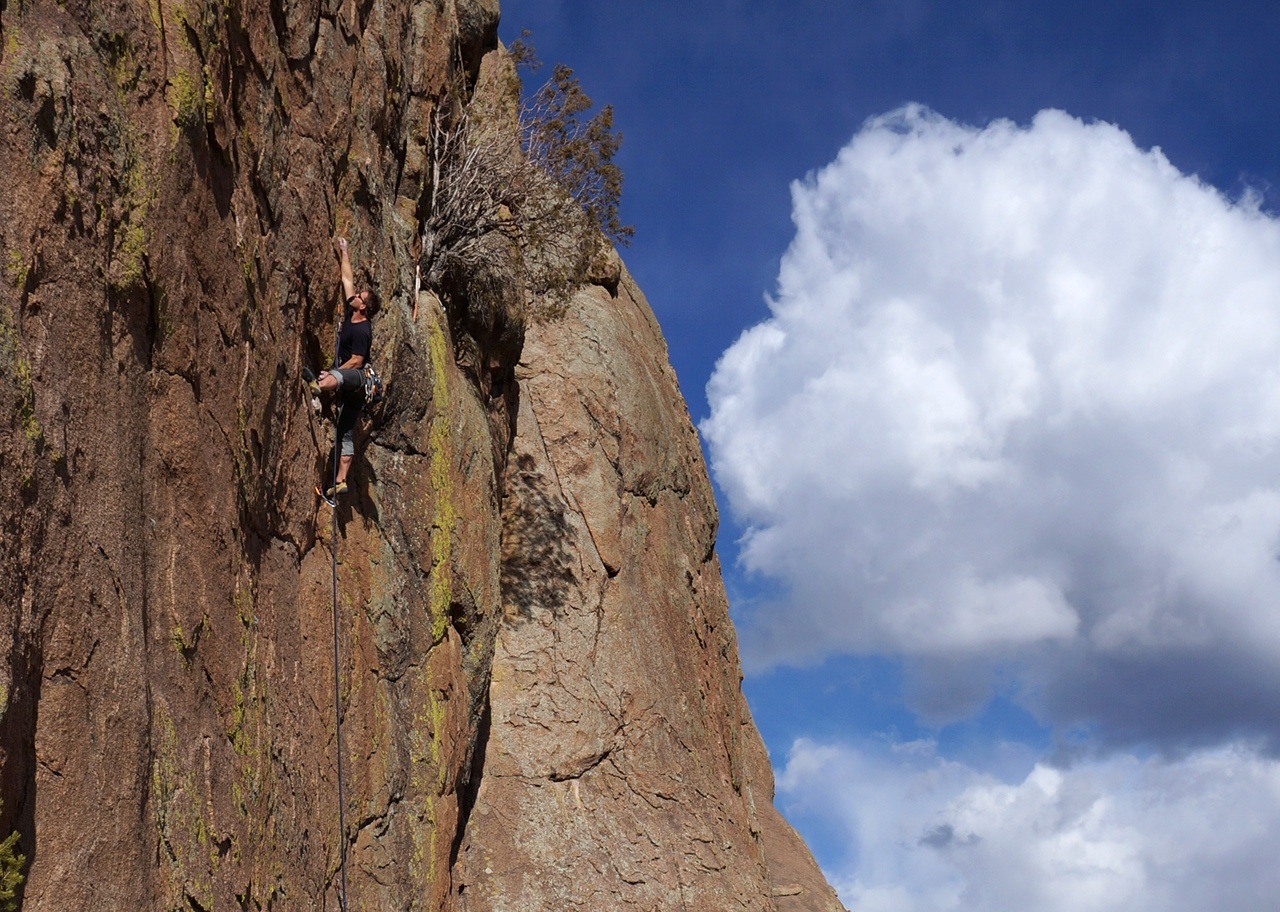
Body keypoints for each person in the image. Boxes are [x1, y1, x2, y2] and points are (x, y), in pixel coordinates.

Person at [303, 236, 379, 498]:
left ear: (364, 307)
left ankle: (318, 386)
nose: (356, 295)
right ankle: (339, 482)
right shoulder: (351, 311)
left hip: (357, 379)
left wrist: (330, 375)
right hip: (350, 390)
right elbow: (348, 281)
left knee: (339, 374)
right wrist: (344, 252)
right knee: (345, 430)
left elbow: (357, 361)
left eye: (360, 297)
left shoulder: (363, 331)